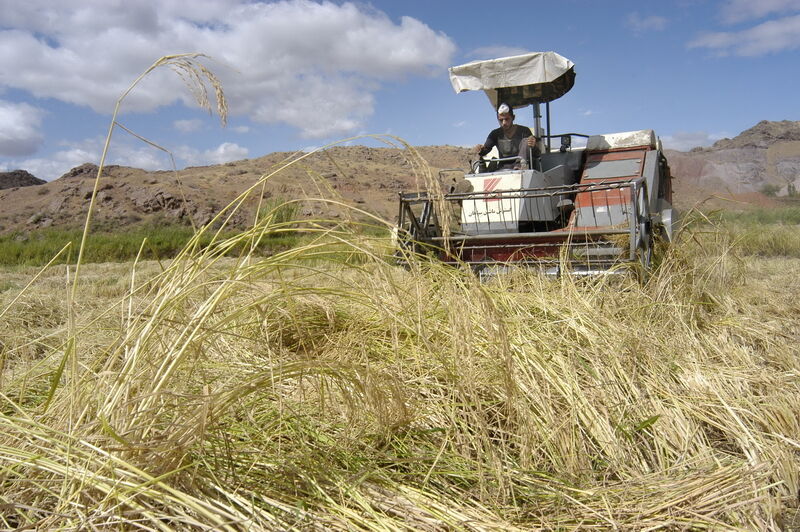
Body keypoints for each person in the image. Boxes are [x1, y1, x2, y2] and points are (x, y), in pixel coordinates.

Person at [474, 103, 538, 170]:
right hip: (503, 170)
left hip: (522, 171)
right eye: (501, 120)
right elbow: (485, 150)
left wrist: (533, 145)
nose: (504, 123)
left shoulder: (524, 131)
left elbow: (537, 153)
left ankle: (518, 165)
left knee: (526, 140)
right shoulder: (495, 134)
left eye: (507, 119)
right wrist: (480, 149)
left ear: (513, 117)